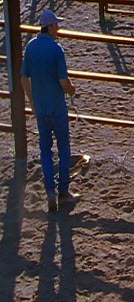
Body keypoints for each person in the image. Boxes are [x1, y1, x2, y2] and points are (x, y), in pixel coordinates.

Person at [21, 9, 80, 212]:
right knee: (64, 149)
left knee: (45, 150)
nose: (58, 28)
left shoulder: (30, 47)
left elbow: (24, 78)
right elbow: (63, 81)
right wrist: (72, 91)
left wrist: (33, 102)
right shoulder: (56, 49)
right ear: (49, 26)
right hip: (57, 107)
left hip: (41, 108)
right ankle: (63, 191)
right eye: (56, 25)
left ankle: (49, 191)